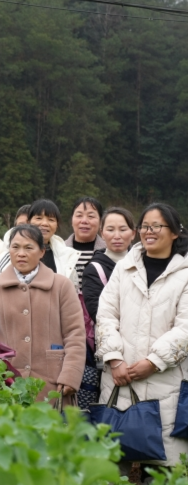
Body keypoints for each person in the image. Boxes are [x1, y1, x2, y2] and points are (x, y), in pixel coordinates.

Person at [96, 203, 188, 466]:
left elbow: (185, 327)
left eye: (157, 225)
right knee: (115, 466)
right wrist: (114, 358)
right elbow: (105, 315)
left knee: (163, 469)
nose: (150, 231)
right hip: (119, 378)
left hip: (166, 383)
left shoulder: (185, 273)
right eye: (145, 225)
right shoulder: (125, 269)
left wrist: (154, 362)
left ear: (174, 233)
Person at [0, 224, 86, 402]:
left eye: (29, 247)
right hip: (7, 383)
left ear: (42, 252)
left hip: (53, 382)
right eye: (15, 247)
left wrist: (70, 376)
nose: (21, 253)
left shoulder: (61, 286)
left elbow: (75, 334)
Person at [0, 199, 80, 288]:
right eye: (39, 218)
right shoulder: (11, 253)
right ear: (28, 222)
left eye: (51, 220)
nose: (44, 223)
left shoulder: (65, 257)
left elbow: (71, 293)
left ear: (57, 225)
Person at [81, 207, 136, 322]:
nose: (117, 236)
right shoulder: (93, 270)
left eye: (122, 229)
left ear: (133, 233)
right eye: (110, 230)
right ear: (102, 234)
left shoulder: (144, 263)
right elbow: (97, 313)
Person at [65, 197, 106, 288]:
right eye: (79, 216)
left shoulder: (108, 251)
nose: (84, 221)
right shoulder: (60, 250)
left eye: (91, 216)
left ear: (100, 222)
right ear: (72, 220)